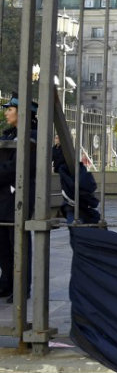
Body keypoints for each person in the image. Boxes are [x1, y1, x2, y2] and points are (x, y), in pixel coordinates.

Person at [0, 93, 37, 303]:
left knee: (18, 244)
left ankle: (22, 287)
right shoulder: (8, 134)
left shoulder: (32, 135)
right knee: (3, 243)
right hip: (3, 196)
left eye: (10, 109)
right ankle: (6, 282)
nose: (6, 113)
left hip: (18, 196)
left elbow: (18, 166)